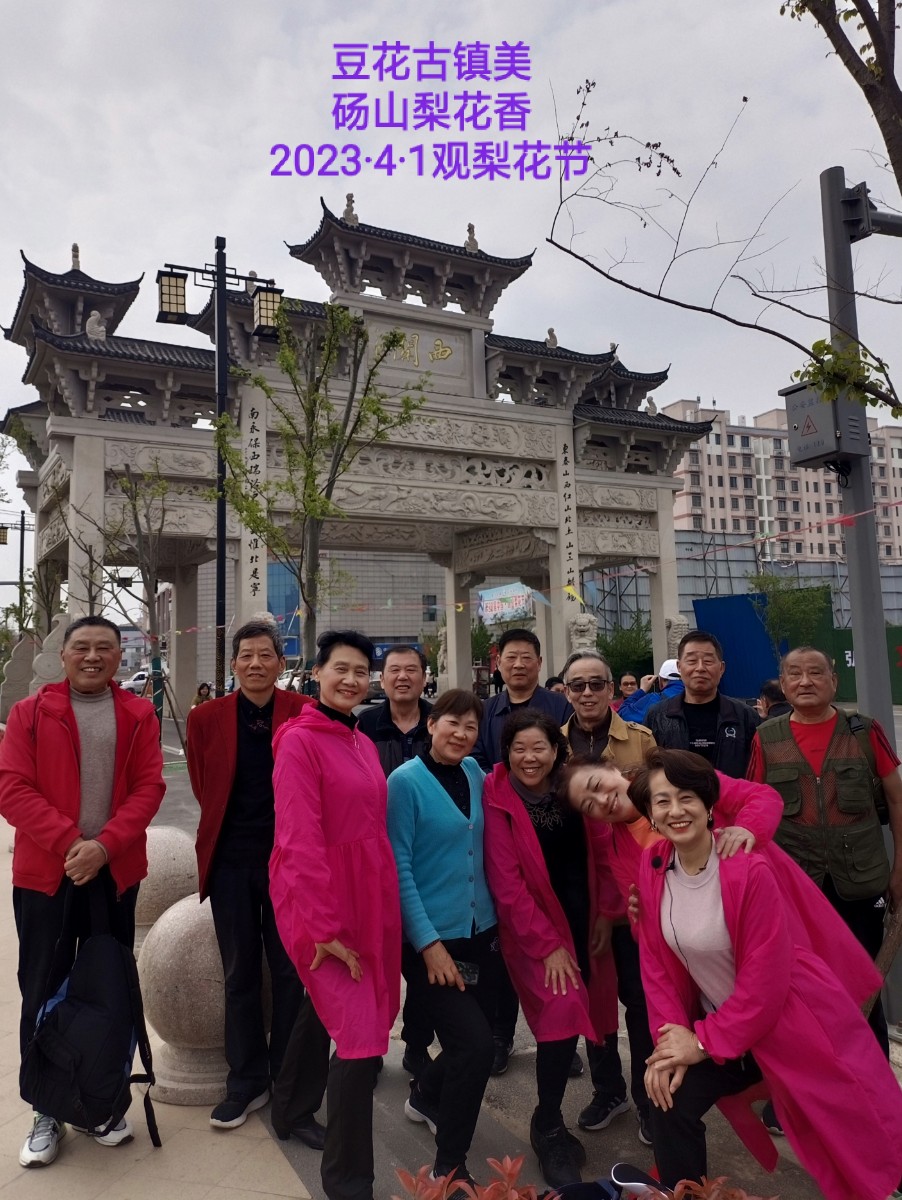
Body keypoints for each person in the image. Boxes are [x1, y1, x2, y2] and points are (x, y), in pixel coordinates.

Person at [631, 747, 902, 1200]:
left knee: (864, 1125)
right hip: (728, 1029)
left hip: (793, 1020)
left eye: (686, 797)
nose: (675, 810)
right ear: (650, 815)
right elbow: (655, 962)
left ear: (709, 804)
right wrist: (670, 1044)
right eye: (662, 801)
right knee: (668, 1095)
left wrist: (701, 1042)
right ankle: (684, 1193)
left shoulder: (747, 866)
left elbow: (765, 982)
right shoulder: (655, 863)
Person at [0, 616, 165, 1168]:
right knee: (41, 988)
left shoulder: (139, 713)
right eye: (82, 647)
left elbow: (149, 788)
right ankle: (45, 1107)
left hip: (113, 874)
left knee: (109, 986)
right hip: (46, 876)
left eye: (104, 648)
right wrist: (73, 844)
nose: (93, 657)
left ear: (119, 656)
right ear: (64, 655)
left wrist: (105, 847)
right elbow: (11, 788)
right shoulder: (30, 713)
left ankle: (102, 1101)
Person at [270, 630, 401, 1200]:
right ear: (316, 673)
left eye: (360, 671)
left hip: (368, 896)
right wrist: (322, 929)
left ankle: (289, 1108)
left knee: (322, 1005)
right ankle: (349, 1183)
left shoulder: (360, 739)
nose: (351, 679)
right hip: (318, 900)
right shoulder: (299, 743)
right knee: (359, 1038)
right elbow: (297, 839)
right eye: (339, 668)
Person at [187, 621, 322, 1136]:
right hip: (231, 863)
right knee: (238, 973)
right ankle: (245, 1080)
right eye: (246, 655)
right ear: (234, 664)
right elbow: (204, 784)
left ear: (281, 664)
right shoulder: (206, 718)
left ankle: (287, 1078)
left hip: (289, 863)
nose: (255, 664)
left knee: (290, 973)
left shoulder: (304, 712)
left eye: (266, 655)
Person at [746, 645, 902, 1060]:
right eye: (794, 674)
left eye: (816, 673)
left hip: (861, 882)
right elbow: (754, 809)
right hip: (797, 888)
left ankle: (872, 1076)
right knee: (803, 986)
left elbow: (896, 799)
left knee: (864, 982)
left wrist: (900, 869)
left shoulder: (863, 731)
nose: (805, 681)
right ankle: (815, 1077)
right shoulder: (766, 738)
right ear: (783, 685)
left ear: (834, 680)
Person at [482, 710, 604, 1190]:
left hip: (584, 922)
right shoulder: (498, 797)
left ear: (556, 750)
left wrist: (608, 914)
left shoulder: (572, 787)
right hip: (535, 930)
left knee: (582, 1016)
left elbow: (603, 848)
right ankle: (548, 1124)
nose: (529, 758)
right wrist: (548, 945)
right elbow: (507, 886)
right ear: (506, 752)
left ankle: (430, 1092)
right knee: (562, 1013)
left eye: (539, 748)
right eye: (519, 749)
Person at [387, 689, 499, 1192]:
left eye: (471, 726)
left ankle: (425, 1095)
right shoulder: (404, 783)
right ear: (431, 724)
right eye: (452, 722)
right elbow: (399, 868)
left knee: (469, 1042)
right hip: (430, 942)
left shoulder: (476, 773)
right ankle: (449, 1168)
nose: (461, 733)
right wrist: (427, 943)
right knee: (474, 1047)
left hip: (480, 935)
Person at [558, 651, 655, 1143]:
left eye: (596, 684)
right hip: (585, 899)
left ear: (612, 689)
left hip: (639, 897)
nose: (587, 693)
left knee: (641, 1002)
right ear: (566, 692)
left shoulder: (640, 739)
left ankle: (649, 1099)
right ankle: (608, 1090)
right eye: (577, 685)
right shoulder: (552, 745)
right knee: (595, 1000)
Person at [473, 629, 572, 1076]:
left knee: (559, 950)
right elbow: (477, 763)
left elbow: (568, 760)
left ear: (538, 662)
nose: (518, 665)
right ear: (499, 663)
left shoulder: (559, 707)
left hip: (553, 828)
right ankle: (501, 1035)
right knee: (504, 951)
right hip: (503, 825)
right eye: (510, 657)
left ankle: (562, 1040)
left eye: (526, 657)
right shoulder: (486, 711)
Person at [358, 646, 435, 1076]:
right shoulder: (363, 725)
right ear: (382, 678)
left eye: (411, 670)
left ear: (424, 677)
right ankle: (369, 1047)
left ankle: (417, 1044)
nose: (403, 677)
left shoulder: (439, 722)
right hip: (372, 861)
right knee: (373, 961)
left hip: (427, 862)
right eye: (394, 671)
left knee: (423, 963)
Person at [645, 632, 758, 777]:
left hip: (731, 792)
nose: (700, 668)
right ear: (679, 667)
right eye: (692, 661)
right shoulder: (657, 716)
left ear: (721, 668)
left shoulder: (745, 716)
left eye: (708, 661)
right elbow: (648, 770)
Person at [616, 659, 683, 724]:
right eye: (625, 684)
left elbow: (622, 714)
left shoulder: (654, 699)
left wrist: (642, 690)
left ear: (661, 680)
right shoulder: (688, 695)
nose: (629, 686)